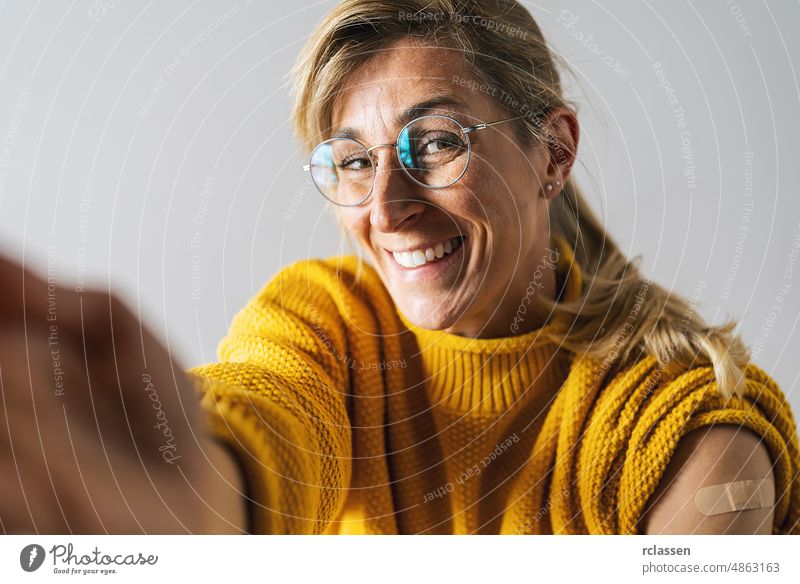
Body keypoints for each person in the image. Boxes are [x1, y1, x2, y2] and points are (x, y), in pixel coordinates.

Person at [2, 0, 798, 535]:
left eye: (440, 142)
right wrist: (188, 489)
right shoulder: (327, 325)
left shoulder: (686, 431)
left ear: (553, 152)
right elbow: (271, 413)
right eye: (353, 160)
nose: (385, 208)